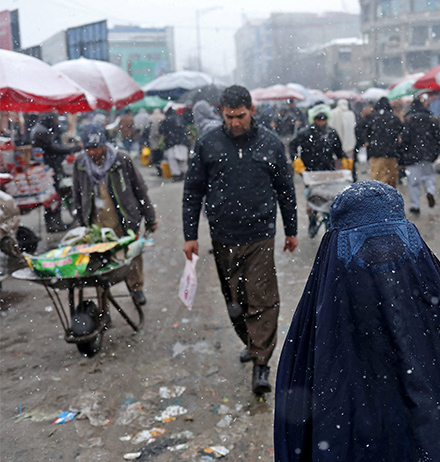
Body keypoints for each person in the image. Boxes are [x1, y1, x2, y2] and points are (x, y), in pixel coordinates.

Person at [274, 180, 440, 462]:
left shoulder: (322, 315)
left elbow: (297, 416)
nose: (382, 258)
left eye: (391, 244)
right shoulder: (437, 298)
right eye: (366, 247)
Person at [182, 85, 297, 396]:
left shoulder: (271, 144)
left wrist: (291, 229)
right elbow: (193, 191)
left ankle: (261, 363)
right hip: (223, 235)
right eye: (229, 116)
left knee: (262, 296)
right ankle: (252, 341)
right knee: (235, 300)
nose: (234, 123)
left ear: (252, 111)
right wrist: (190, 235)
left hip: (260, 233)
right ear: (221, 112)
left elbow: (286, 189)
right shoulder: (207, 144)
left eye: (241, 116)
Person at [72, 124, 158, 306]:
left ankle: (136, 288)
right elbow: (77, 193)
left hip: (124, 218)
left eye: (95, 147)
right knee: (99, 264)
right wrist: (81, 221)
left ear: (104, 144)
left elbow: (140, 189)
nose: (92, 152)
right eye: (88, 148)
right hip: (96, 222)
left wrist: (150, 217)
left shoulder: (121, 159)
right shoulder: (80, 163)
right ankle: (104, 300)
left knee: (132, 255)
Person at [30, 113, 81, 233]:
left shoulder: (43, 128)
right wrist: (72, 148)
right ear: (51, 118)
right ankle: (54, 224)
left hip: (49, 167)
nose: (58, 120)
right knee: (53, 196)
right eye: (56, 118)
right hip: (49, 168)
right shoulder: (43, 131)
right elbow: (54, 148)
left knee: (54, 196)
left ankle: (55, 223)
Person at [400, 98, 440, 215]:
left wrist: (403, 155)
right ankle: (430, 191)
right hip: (428, 156)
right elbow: (438, 139)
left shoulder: (409, 120)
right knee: (429, 178)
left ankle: (415, 206)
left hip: (412, 157)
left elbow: (405, 140)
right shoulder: (432, 120)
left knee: (413, 183)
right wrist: (434, 153)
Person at [356, 97, 402, 188]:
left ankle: (378, 197)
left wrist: (364, 141)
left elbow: (358, 128)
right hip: (392, 152)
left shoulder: (371, 117)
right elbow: (401, 132)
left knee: (377, 178)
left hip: (375, 151)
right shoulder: (394, 118)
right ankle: (391, 198)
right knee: (391, 179)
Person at [289, 105, 346, 173]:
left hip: (327, 167)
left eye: (323, 120)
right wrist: (296, 159)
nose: (321, 123)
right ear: (314, 120)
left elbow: (338, 148)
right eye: (319, 120)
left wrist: (344, 158)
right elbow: (292, 145)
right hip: (310, 167)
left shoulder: (331, 133)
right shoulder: (305, 133)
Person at [159, 107, 188, 182]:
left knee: (172, 159)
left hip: (171, 142)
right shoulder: (180, 118)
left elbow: (161, 130)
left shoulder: (166, 120)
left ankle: (176, 175)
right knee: (182, 159)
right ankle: (183, 173)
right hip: (182, 142)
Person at [148, 109, 165, 175]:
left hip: (155, 142)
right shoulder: (162, 120)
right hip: (161, 142)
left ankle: (159, 170)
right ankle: (161, 170)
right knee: (161, 156)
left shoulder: (153, 121)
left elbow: (154, 133)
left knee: (156, 157)